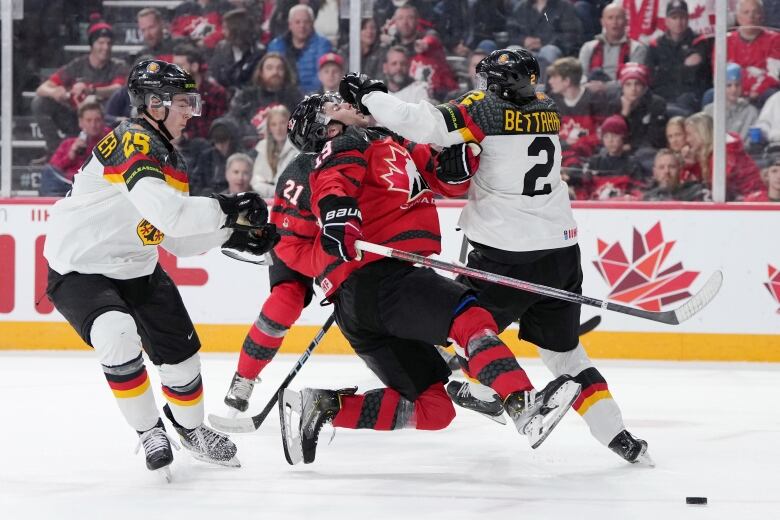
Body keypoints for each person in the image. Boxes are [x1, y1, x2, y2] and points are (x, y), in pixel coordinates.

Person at [339, 48, 653, 465]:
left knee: (459, 327)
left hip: (505, 255)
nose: (484, 86)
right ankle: (618, 436)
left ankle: (483, 391)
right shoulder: (548, 108)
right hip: (561, 251)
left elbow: (423, 123)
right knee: (565, 355)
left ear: (500, 84)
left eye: (490, 79)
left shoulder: (485, 109)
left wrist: (372, 95)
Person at [277, 93, 582, 464]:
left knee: (434, 408)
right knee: (471, 318)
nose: (346, 102)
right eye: (334, 106)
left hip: (365, 301)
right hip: (379, 280)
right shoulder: (347, 143)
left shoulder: (391, 141)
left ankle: (322, 405)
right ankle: (523, 405)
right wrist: (337, 216)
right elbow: (333, 182)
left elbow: (445, 182)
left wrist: (457, 165)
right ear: (330, 128)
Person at [42, 60, 279, 477]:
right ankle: (150, 429)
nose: (191, 111)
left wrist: (231, 235)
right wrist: (228, 207)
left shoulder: (171, 159)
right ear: (154, 104)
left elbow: (171, 237)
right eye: (184, 102)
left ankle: (191, 430)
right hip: (81, 267)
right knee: (116, 334)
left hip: (138, 266)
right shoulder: (132, 141)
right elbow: (171, 215)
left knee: (183, 361)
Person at [32, 16, 128, 157]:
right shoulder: (77, 66)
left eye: (109, 43)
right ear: (92, 45)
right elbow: (42, 89)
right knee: (40, 103)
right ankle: (56, 152)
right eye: (101, 43)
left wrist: (90, 90)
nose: (105, 48)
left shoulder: (118, 66)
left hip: (104, 122)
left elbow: (118, 89)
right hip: (77, 119)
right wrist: (56, 93)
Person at [38, 102, 111, 197]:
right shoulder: (69, 144)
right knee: (47, 172)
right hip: (69, 186)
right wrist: (70, 155)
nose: (93, 125)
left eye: (97, 120)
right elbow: (53, 171)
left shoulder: (111, 141)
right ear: (81, 122)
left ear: (103, 121)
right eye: (89, 121)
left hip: (98, 186)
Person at [267, 4, 333, 94]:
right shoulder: (276, 45)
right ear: (290, 25)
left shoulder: (323, 44)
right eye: (297, 22)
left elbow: (322, 76)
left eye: (306, 22)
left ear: (312, 24)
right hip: (283, 96)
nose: (302, 26)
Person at [578, 3, 647, 83]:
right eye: (610, 18)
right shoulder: (588, 48)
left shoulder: (637, 48)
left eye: (619, 18)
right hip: (592, 91)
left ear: (626, 22)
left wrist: (606, 88)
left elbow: (634, 81)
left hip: (623, 92)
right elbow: (582, 77)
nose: (615, 22)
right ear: (602, 22)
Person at [583, 114, 646, 199]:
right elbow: (585, 188)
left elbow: (638, 191)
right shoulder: (594, 162)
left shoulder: (632, 164)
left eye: (614, 136)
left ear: (623, 137)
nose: (610, 141)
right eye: (606, 136)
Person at [703, 63, 758, 144]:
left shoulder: (751, 112)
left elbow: (751, 143)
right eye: (729, 85)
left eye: (737, 85)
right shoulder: (709, 111)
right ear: (719, 87)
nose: (734, 89)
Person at [251, 105, 297, 197]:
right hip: (266, 200)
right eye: (274, 124)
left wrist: (271, 189)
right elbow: (256, 182)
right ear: (269, 128)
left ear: (290, 124)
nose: (278, 129)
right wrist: (273, 190)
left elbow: (291, 185)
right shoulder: (263, 147)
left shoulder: (298, 149)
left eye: (282, 123)